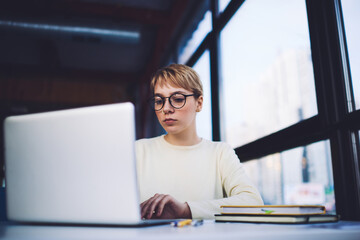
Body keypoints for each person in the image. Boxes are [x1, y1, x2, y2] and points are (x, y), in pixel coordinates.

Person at [136, 64, 263, 220]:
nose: (166, 108)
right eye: (159, 100)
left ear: (199, 103)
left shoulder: (220, 153)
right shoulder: (138, 151)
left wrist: (186, 210)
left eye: (177, 99)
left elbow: (253, 203)